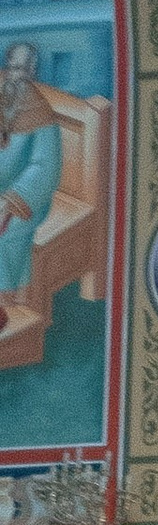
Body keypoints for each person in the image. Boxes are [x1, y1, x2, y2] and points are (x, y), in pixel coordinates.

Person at [0, 39, 62, 331]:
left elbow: (44, 169)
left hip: (25, 200)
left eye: (25, 69)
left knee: (4, 230)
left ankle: (6, 303)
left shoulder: (42, 116)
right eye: (14, 67)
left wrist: (9, 200)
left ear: (33, 71)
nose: (18, 75)